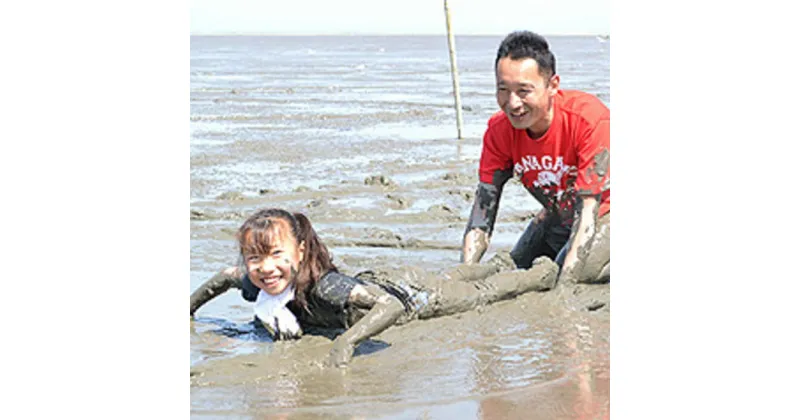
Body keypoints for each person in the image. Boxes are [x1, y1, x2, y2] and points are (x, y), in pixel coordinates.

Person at [190, 208, 558, 367]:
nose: (265, 268)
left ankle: (536, 274)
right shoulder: (262, 281)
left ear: (301, 252)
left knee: (480, 293)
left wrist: (347, 342)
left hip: (412, 296)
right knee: (454, 275)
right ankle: (498, 263)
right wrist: (189, 308)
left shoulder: (325, 288)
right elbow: (224, 277)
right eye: (254, 258)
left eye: (274, 254)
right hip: (378, 278)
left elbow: (391, 307)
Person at [461, 30, 610, 285]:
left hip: (603, 216)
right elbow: (481, 215)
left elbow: (587, 213)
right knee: (514, 267)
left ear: (552, 86)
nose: (513, 103)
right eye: (503, 89)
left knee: (568, 274)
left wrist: (563, 291)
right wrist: (463, 275)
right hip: (557, 216)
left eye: (524, 91)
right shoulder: (499, 131)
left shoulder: (590, 120)